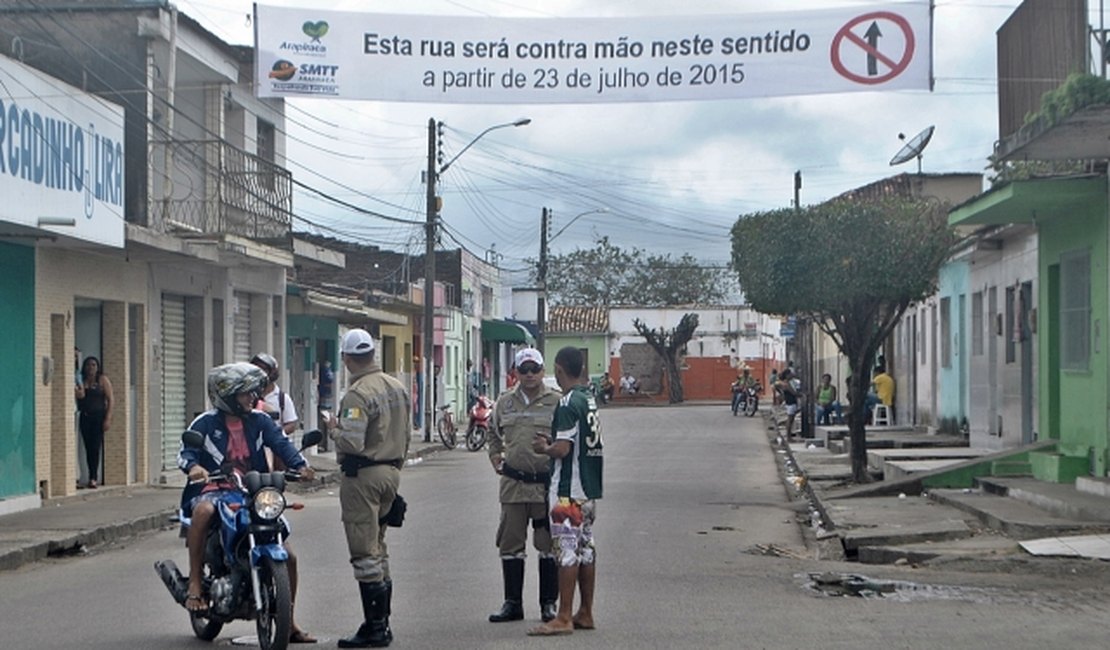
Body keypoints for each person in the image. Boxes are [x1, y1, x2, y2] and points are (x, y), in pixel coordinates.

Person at [178, 362, 316, 643]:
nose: (252, 399)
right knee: (203, 511)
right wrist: (193, 468)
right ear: (226, 395)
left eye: (252, 394)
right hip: (214, 488)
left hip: (252, 491)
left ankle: (288, 620)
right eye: (245, 394)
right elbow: (185, 453)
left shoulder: (260, 420)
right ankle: (194, 582)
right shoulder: (204, 423)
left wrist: (301, 465)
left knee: (288, 555)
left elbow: (282, 444)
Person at [328, 328, 411, 648]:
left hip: (362, 477)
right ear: (372, 355)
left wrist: (333, 430)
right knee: (379, 547)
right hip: (391, 471)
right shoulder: (397, 387)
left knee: (364, 552)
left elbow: (351, 440)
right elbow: (404, 437)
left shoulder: (357, 394)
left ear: (347, 359)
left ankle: (375, 627)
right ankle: (382, 623)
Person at [527, 347, 603, 637]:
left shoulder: (568, 402)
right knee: (586, 549)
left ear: (559, 369)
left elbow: (563, 448)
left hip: (566, 491)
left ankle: (563, 616)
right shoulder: (589, 400)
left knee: (566, 552)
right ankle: (585, 611)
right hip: (588, 489)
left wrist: (544, 447)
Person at [486, 348, 563, 624]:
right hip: (513, 484)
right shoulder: (504, 403)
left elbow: (567, 440)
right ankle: (513, 604)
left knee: (548, 545)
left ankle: (548, 605)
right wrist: (495, 455)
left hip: (544, 487)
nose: (529, 375)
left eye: (535, 369)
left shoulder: (557, 402)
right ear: (515, 373)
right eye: (524, 369)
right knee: (510, 544)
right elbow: (492, 434)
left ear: (543, 371)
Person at [75, 355, 113, 489]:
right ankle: (88, 474)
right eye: (88, 365)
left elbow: (110, 399)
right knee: (87, 447)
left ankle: (93, 477)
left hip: (98, 417)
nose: (91, 368)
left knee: (95, 447)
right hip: (85, 417)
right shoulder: (82, 380)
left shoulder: (102, 380)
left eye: (93, 365)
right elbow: (80, 396)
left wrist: (108, 418)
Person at [250, 353, 299, 436]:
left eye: (263, 370)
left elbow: (291, 424)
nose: (259, 374)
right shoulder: (248, 395)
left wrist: (275, 434)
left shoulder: (283, 398)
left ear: (272, 373)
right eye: (256, 369)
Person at [776, 369, 801, 439]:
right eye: (790, 374)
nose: (792, 375)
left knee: (790, 419)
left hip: (789, 402)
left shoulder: (786, 383)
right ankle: (788, 436)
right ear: (787, 375)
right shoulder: (786, 384)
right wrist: (802, 395)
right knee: (790, 419)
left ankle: (789, 435)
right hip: (791, 402)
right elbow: (794, 393)